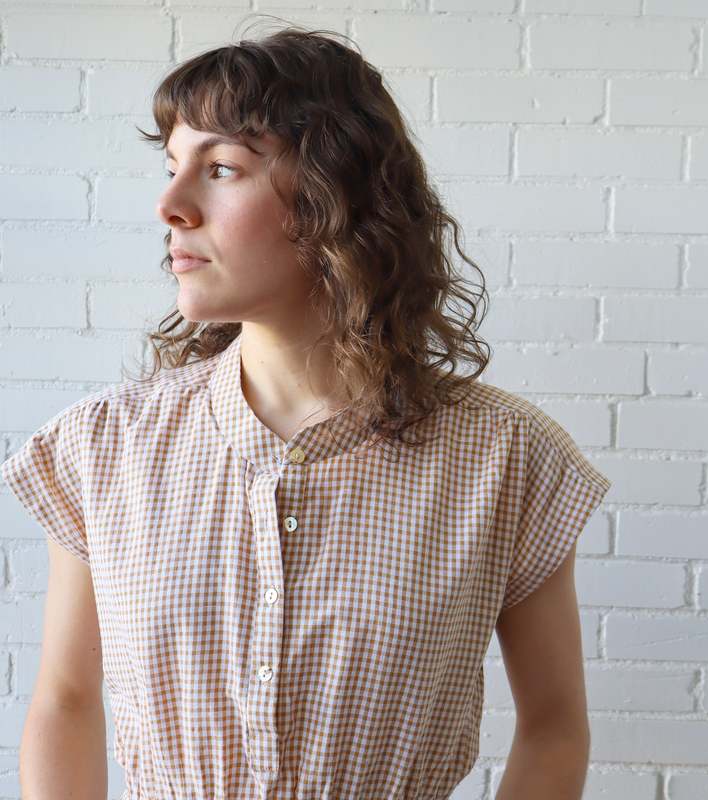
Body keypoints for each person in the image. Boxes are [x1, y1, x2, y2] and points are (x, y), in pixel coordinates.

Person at [2, 20, 611, 800]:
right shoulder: (106, 446)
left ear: (334, 193)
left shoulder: (505, 457)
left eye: (220, 168)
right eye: (172, 167)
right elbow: (65, 700)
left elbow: (554, 724)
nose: (170, 205)